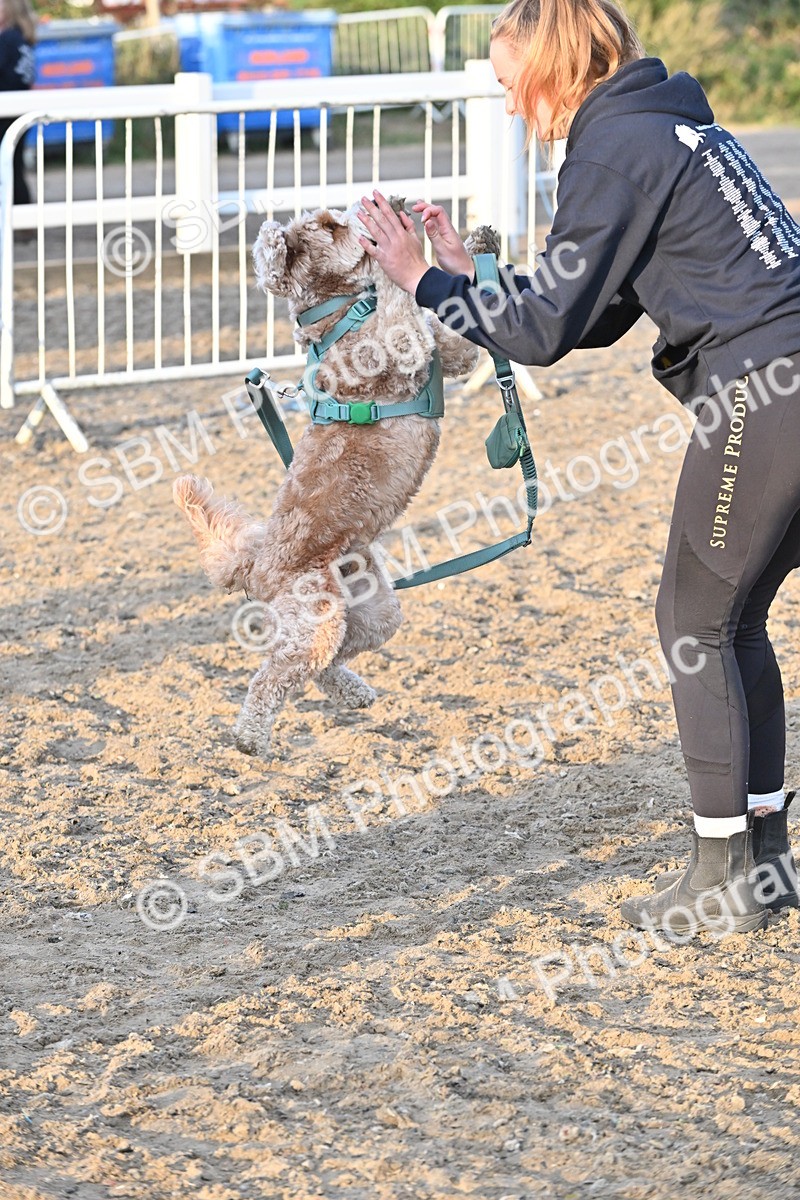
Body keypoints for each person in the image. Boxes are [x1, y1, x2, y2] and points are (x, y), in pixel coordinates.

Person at [357, 0, 800, 937]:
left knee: (694, 624)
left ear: (555, 65)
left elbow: (549, 331)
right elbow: (592, 312)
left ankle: (725, 876)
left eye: (512, 83)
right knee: (734, 619)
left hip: (766, 391)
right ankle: (762, 860)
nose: (512, 104)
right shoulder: (667, 121)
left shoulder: (610, 147)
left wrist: (420, 281)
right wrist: (468, 280)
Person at [0, 0, 36, 208]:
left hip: (6, 112)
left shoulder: (8, 40)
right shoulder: (23, 39)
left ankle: (19, 219)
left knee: (9, 165)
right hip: (19, 111)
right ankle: (23, 218)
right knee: (14, 164)